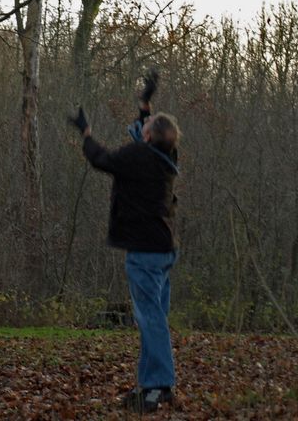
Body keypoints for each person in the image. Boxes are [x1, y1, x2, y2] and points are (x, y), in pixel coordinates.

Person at [68, 70, 181, 414]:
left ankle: (159, 387)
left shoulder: (137, 158)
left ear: (148, 138)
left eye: (143, 129)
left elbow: (102, 158)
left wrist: (86, 133)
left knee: (151, 321)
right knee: (153, 318)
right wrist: (145, 106)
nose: (138, 129)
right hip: (163, 251)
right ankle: (151, 386)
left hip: (145, 254)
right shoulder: (167, 158)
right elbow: (143, 135)